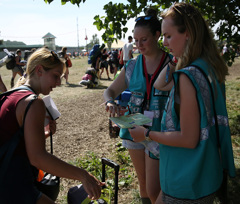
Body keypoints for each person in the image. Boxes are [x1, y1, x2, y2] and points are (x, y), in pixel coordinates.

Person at [128, 2, 236, 204]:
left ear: (187, 34)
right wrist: (175, 60)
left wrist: (146, 134)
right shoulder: (208, 66)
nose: (165, 43)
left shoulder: (187, 77)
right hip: (206, 172)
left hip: (186, 178)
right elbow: (161, 84)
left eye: (168, 36)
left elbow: (188, 138)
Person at [0, 47, 103, 203]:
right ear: (39, 70)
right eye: (55, 76)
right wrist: (83, 175)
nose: (58, 82)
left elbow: (13, 140)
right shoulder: (34, 102)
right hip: (13, 187)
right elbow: (37, 157)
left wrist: (43, 134)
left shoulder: (13, 94)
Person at [103, 9, 174, 204]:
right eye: (135, 40)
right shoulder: (132, 66)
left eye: (143, 39)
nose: (138, 45)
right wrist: (110, 102)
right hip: (133, 128)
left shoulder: (172, 62)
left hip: (159, 132)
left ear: (157, 35)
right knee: (143, 183)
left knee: (155, 188)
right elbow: (109, 92)